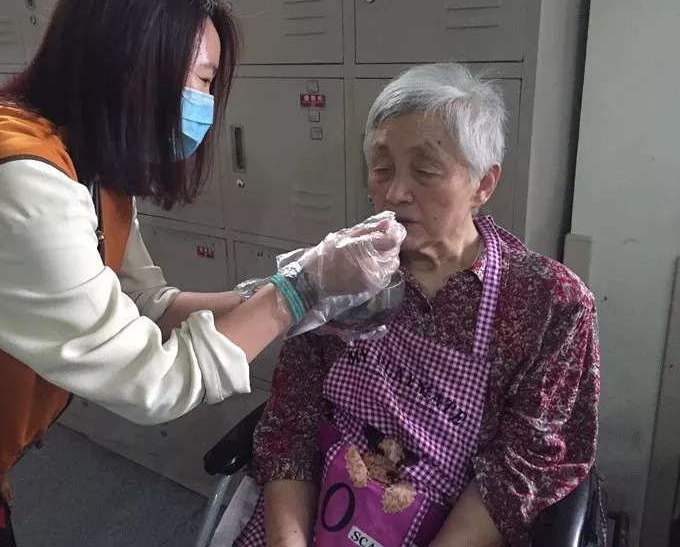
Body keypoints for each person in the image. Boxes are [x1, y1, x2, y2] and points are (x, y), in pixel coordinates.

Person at [0, 0, 405, 546]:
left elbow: (146, 305)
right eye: (202, 79)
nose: (207, 102)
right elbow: (155, 381)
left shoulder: (84, 165)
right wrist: (299, 289)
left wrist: (285, 293)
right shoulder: (19, 184)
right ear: (132, 65)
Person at [232, 64, 600, 547]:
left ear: (483, 185)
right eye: (381, 167)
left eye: (425, 171)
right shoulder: (344, 269)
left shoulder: (548, 304)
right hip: (319, 510)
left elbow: (518, 471)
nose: (395, 193)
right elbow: (290, 419)